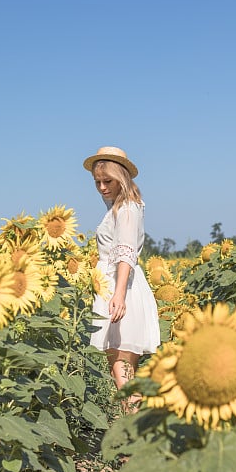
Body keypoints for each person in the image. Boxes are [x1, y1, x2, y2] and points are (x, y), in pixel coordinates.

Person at [83, 146, 160, 399]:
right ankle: (129, 425)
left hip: (120, 288)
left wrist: (118, 296)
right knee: (123, 370)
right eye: (98, 182)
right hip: (118, 288)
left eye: (108, 181)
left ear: (122, 178)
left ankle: (132, 428)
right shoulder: (122, 207)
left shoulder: (126, 209)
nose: (103, 187)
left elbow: (126, 253)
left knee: (122, 370)